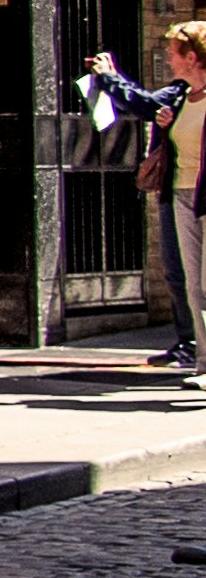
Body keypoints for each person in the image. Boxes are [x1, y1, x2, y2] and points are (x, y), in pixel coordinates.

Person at [86, 31, 206, 370]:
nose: (167, 58)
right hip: (178, 194)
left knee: (202, 281)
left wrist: (111, 77)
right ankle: (193, 347)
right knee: (183, 276)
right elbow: (147, 104)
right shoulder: (181, 96)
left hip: (202, 195)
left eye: (172, 52)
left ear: (192, 57)